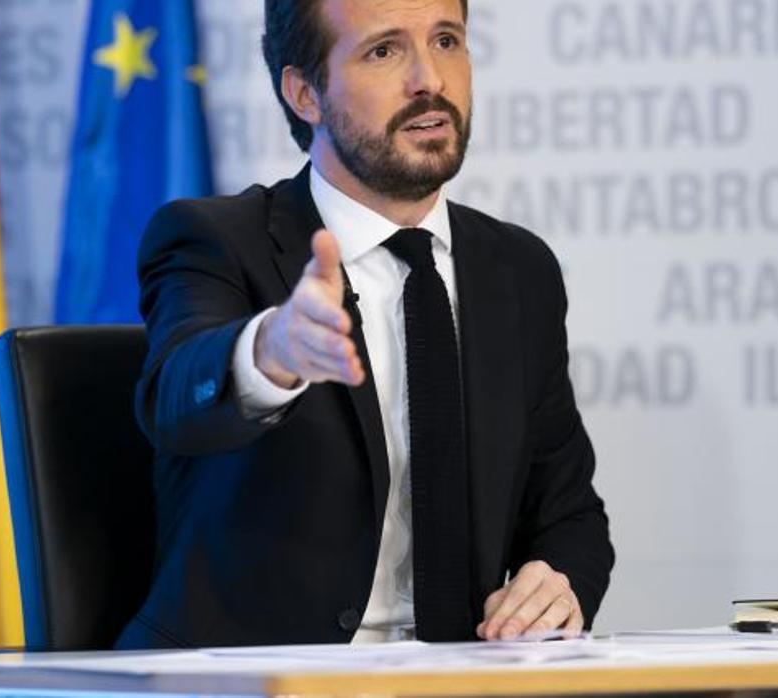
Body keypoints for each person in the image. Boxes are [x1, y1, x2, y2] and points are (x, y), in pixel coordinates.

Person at [115, 0, 613, 648]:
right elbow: (178, 396)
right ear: (304, 93)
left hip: (462, 679)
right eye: (384, 51)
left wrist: (555, 580)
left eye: (446, 40)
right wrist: (273, 349)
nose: (429, 80)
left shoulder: (518, 271)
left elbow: (569, 514)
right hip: (253, 683)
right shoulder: (215, 241)